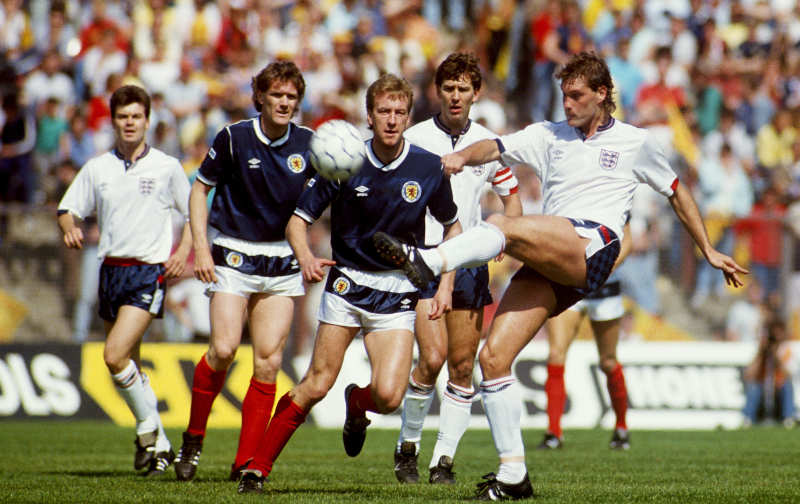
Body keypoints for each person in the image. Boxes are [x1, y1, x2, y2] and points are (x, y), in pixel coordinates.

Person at [373, 51, 747, 500]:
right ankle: (513, 475)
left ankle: (430, 262)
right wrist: (460, 157)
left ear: (602, 94)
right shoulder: (548, 134)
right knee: (493, 359)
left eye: (576, 96)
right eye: (564, 95)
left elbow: (676, 192)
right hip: (554, 256)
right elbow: (494, 147)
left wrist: (707, 249)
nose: (567, 104)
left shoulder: (635, 141)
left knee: (501, 224)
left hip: (594, 245)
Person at [236, 73, 460, 494]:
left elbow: (453, 227)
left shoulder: (428, 167)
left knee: (389, 397)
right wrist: (305, 257)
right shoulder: (342, 159)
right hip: (346, 286)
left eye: (399, 112)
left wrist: (445, 284)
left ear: (408, 117)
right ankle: (256, 469)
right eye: (383, 111)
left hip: (397, 291)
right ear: (369, 116)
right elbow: (297, 222)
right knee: (317, 382)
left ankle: (357, 403)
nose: (391, 119)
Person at [173, 60, 315, 482]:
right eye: (277, 95)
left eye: (292, 96)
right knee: (223, 349)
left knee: (268, 362)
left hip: (281, 260)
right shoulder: (234, 137)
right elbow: (200, 189)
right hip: (233, 254)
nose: (284, 102)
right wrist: (201, 248)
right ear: (260, 97)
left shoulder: (310, 143)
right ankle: (194, 438)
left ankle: (245, 462)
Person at [392, 52, 522, 485]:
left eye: (463, 88)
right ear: (437, 91)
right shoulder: (414, 138)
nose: (454, 95)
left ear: (475, 94)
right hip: (423, 261)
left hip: (467, 264)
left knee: (463, 367)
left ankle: (443, 461)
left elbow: (512, 198)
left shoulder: (487, 143)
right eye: (448, 87)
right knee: (431, 359)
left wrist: (507, 234)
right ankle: (408, 447)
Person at [57, 84, 192, 476]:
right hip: (110, 270)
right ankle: (158, 444)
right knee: (130, 363)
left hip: (147, 271)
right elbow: (67, 208)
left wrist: (184, 250)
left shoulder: (167, 167)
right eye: (123, 117)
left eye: (136, 116)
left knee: (114, 355)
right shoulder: (98, 168)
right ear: (113, 122)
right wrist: (69, 227)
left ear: (147, 120)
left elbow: (193, 213)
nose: (130, 123)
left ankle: (150, 429)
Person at [537, 269, 631, 452]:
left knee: (608, 362)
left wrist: (601, 264)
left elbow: (625, 250)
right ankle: (553, 432)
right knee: (556, 354)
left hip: (605, 286)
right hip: (568, 281)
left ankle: (621, 427)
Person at [742, 318, 796, 428]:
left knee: (787, 386)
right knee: (754, 387)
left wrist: (776, 357)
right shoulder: (762, 350)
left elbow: (789, 374)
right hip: (763, 388)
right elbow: (749, 374)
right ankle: (748, 419)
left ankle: (788, 418)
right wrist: (761, 353)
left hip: (779, 387)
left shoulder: (786, 350)